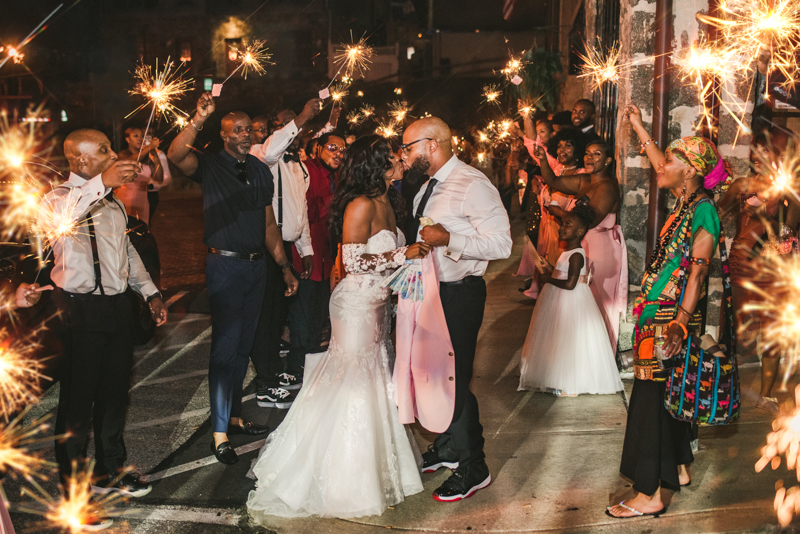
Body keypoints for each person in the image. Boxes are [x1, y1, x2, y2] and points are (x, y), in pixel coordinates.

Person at [247, 135, 430, 519]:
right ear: (378, 166)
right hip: (355, 305)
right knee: (352, 382)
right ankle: (341, 476)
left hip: (378, 303)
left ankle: (376, 466)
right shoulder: (360, 205)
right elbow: (354, 263)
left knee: (375, 376)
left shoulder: (389, 201)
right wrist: (403, 253)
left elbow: (383, 263)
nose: (401, 161)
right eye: (395, 158)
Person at [38, 129, 168, 530]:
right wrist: (103, 184)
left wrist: (150, 293)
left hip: (116, 311)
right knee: (77, 405)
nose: (114, 155)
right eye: (105, 151)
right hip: (78, 312)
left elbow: (126, 252)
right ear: (79, 161)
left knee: (114, 395)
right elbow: (64, 221)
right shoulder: (57, 199)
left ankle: (108, 471)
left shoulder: (112, 204)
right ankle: (75, 498)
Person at [606, 104, 726, 519]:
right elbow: (661, 162)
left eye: (672, 160)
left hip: (667, 318)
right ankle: (679, 467)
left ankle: (649, 492)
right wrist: (639, 125)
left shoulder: (703, 209)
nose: (661, 164)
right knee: (669, 393)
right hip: (657, 312)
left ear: (689, 171)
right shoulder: (686, 198)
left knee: (651, 399)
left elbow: (698, 271)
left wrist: (677, 322)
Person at [167, 92, 299, 465]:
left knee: (243, 346)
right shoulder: (210, 165)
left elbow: (268, 223)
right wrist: (197, 118)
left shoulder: (258, 169)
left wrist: (284, 266)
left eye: (248, 130)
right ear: (225, 136)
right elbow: (176, 156)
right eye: (237, 130)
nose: (246, 135)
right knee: (224, 349)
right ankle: (219, 432)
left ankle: (235, 417)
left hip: (257, 267)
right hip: (224, 267)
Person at [401, 117, 512, 502]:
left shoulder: (472, 184)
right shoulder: (427, 186)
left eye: (408, 147)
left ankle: (473, 465)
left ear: (432, 144)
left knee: (452, 376)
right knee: (431, 373)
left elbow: (501, 245)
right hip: (430, 292)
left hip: (458, 294)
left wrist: (450, 238)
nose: (404, 155)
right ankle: (447, 447)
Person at [717, 127, 800, 413]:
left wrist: (767, 215)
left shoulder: (790, 192)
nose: (767, 158)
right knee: (735, 329)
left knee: (774, 331)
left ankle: (766, 394)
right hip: (742, 263)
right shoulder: (742, 185)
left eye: (775, 153)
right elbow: (716, 213)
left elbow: (788, 238)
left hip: (774, 268)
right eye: (762, 152)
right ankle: (722, 385)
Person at [248, 99, 322, 409]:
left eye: (298, 124)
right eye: (288, 123)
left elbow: (300, 209)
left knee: (279, 318)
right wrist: (303, 115)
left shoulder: (298, 164)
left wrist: (305, 249)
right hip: (265, 250)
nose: (297, 128)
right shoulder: (262, 155)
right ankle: (265, 382)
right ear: (276, 129)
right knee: (265, 320)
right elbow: (271, 150)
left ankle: (273, 374)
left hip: (289, 248)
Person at [532, 140, 628, 351]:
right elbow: (553, 181)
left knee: (597, 300)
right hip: (582, 245)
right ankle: (578, 351)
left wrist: (558, 212)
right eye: (587, 153)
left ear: (608, 160)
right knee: (577, 301)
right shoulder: (585, 180)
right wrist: (542, 159)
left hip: (601, 247)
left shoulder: (608, 187)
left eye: (597, 154)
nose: (590, 158)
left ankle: (597, 354)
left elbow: (588, 221)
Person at [518, 204, 623, 395]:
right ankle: (558, 377)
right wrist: (548, 266)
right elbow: (561, 273)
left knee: (570, 339)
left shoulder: (577, 255)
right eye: (562, 224)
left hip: (572, 300)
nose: (561, 227)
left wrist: (547, 279)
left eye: (567, 224)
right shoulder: (567, 253)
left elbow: (570, 284)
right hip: (561, 299)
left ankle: (572, 383)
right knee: (559, 337)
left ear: (580, 231)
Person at [285, 131, 345, 378]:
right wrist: (337, 198)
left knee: (319, 313)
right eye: (333, 148)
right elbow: (306, 213)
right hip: (306, 256)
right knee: (302, 315)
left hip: (327, 256)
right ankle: (295, 366)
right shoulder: (306, 171)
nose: (338, 154)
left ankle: (309, 366)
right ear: (318, 148)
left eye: (342, 150)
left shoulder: (338, 176)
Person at [523, 128, 586, 299]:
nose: (562, 150)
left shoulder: (582, 176)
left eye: (568, 146)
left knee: (562, 279)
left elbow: (580, 214)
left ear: (578, 149)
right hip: (548, 231)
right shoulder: (557, 169)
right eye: (559, 146)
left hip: (565, 236)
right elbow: (536, 151)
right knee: (546, 274)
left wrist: (559, 212)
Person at [116, 127, 164, 226]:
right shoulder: (123, 155)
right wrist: (148, 148)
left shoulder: (146, 157)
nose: (140, 139)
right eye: (135, 136)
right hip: (126, 199)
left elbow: (159, 177)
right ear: (127, 139)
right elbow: (132, 162)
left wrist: (154, 155)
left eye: (142, 136)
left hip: (142, 201)